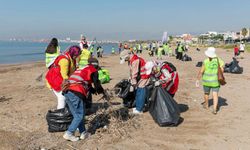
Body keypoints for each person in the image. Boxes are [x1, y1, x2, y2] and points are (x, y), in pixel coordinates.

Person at [62, 58, 108, 142]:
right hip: (76, 91)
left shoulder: (82, 68)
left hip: (67, 91)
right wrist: (103, 92)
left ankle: (83, 133)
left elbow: (87, 84)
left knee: (77, 115)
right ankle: (69, 133)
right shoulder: (93, 70)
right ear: (96, 65)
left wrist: (94, 91)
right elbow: (97, 84)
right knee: (80, 115)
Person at [120, 50, 150, 114]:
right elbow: (132, 72)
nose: (125, 61)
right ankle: (138, 106)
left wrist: (132, 84)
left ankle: (139, 110)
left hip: (144, 77)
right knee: (138, 92)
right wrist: (130, 78)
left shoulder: (135, 60)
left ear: (127, 56)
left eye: (125, 59)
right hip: (140, 77)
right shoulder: (131, 59)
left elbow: (134, 73)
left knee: (140, 91)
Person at [196, 47, 224, 115]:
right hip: (215, 81)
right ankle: (214, 109)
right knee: (215, 95)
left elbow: (201, 71)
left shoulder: (205, 61)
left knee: (206, 93)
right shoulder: (219, 60)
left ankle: (206, 105)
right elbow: (222, 70)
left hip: (206, 81)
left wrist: (197, 79)